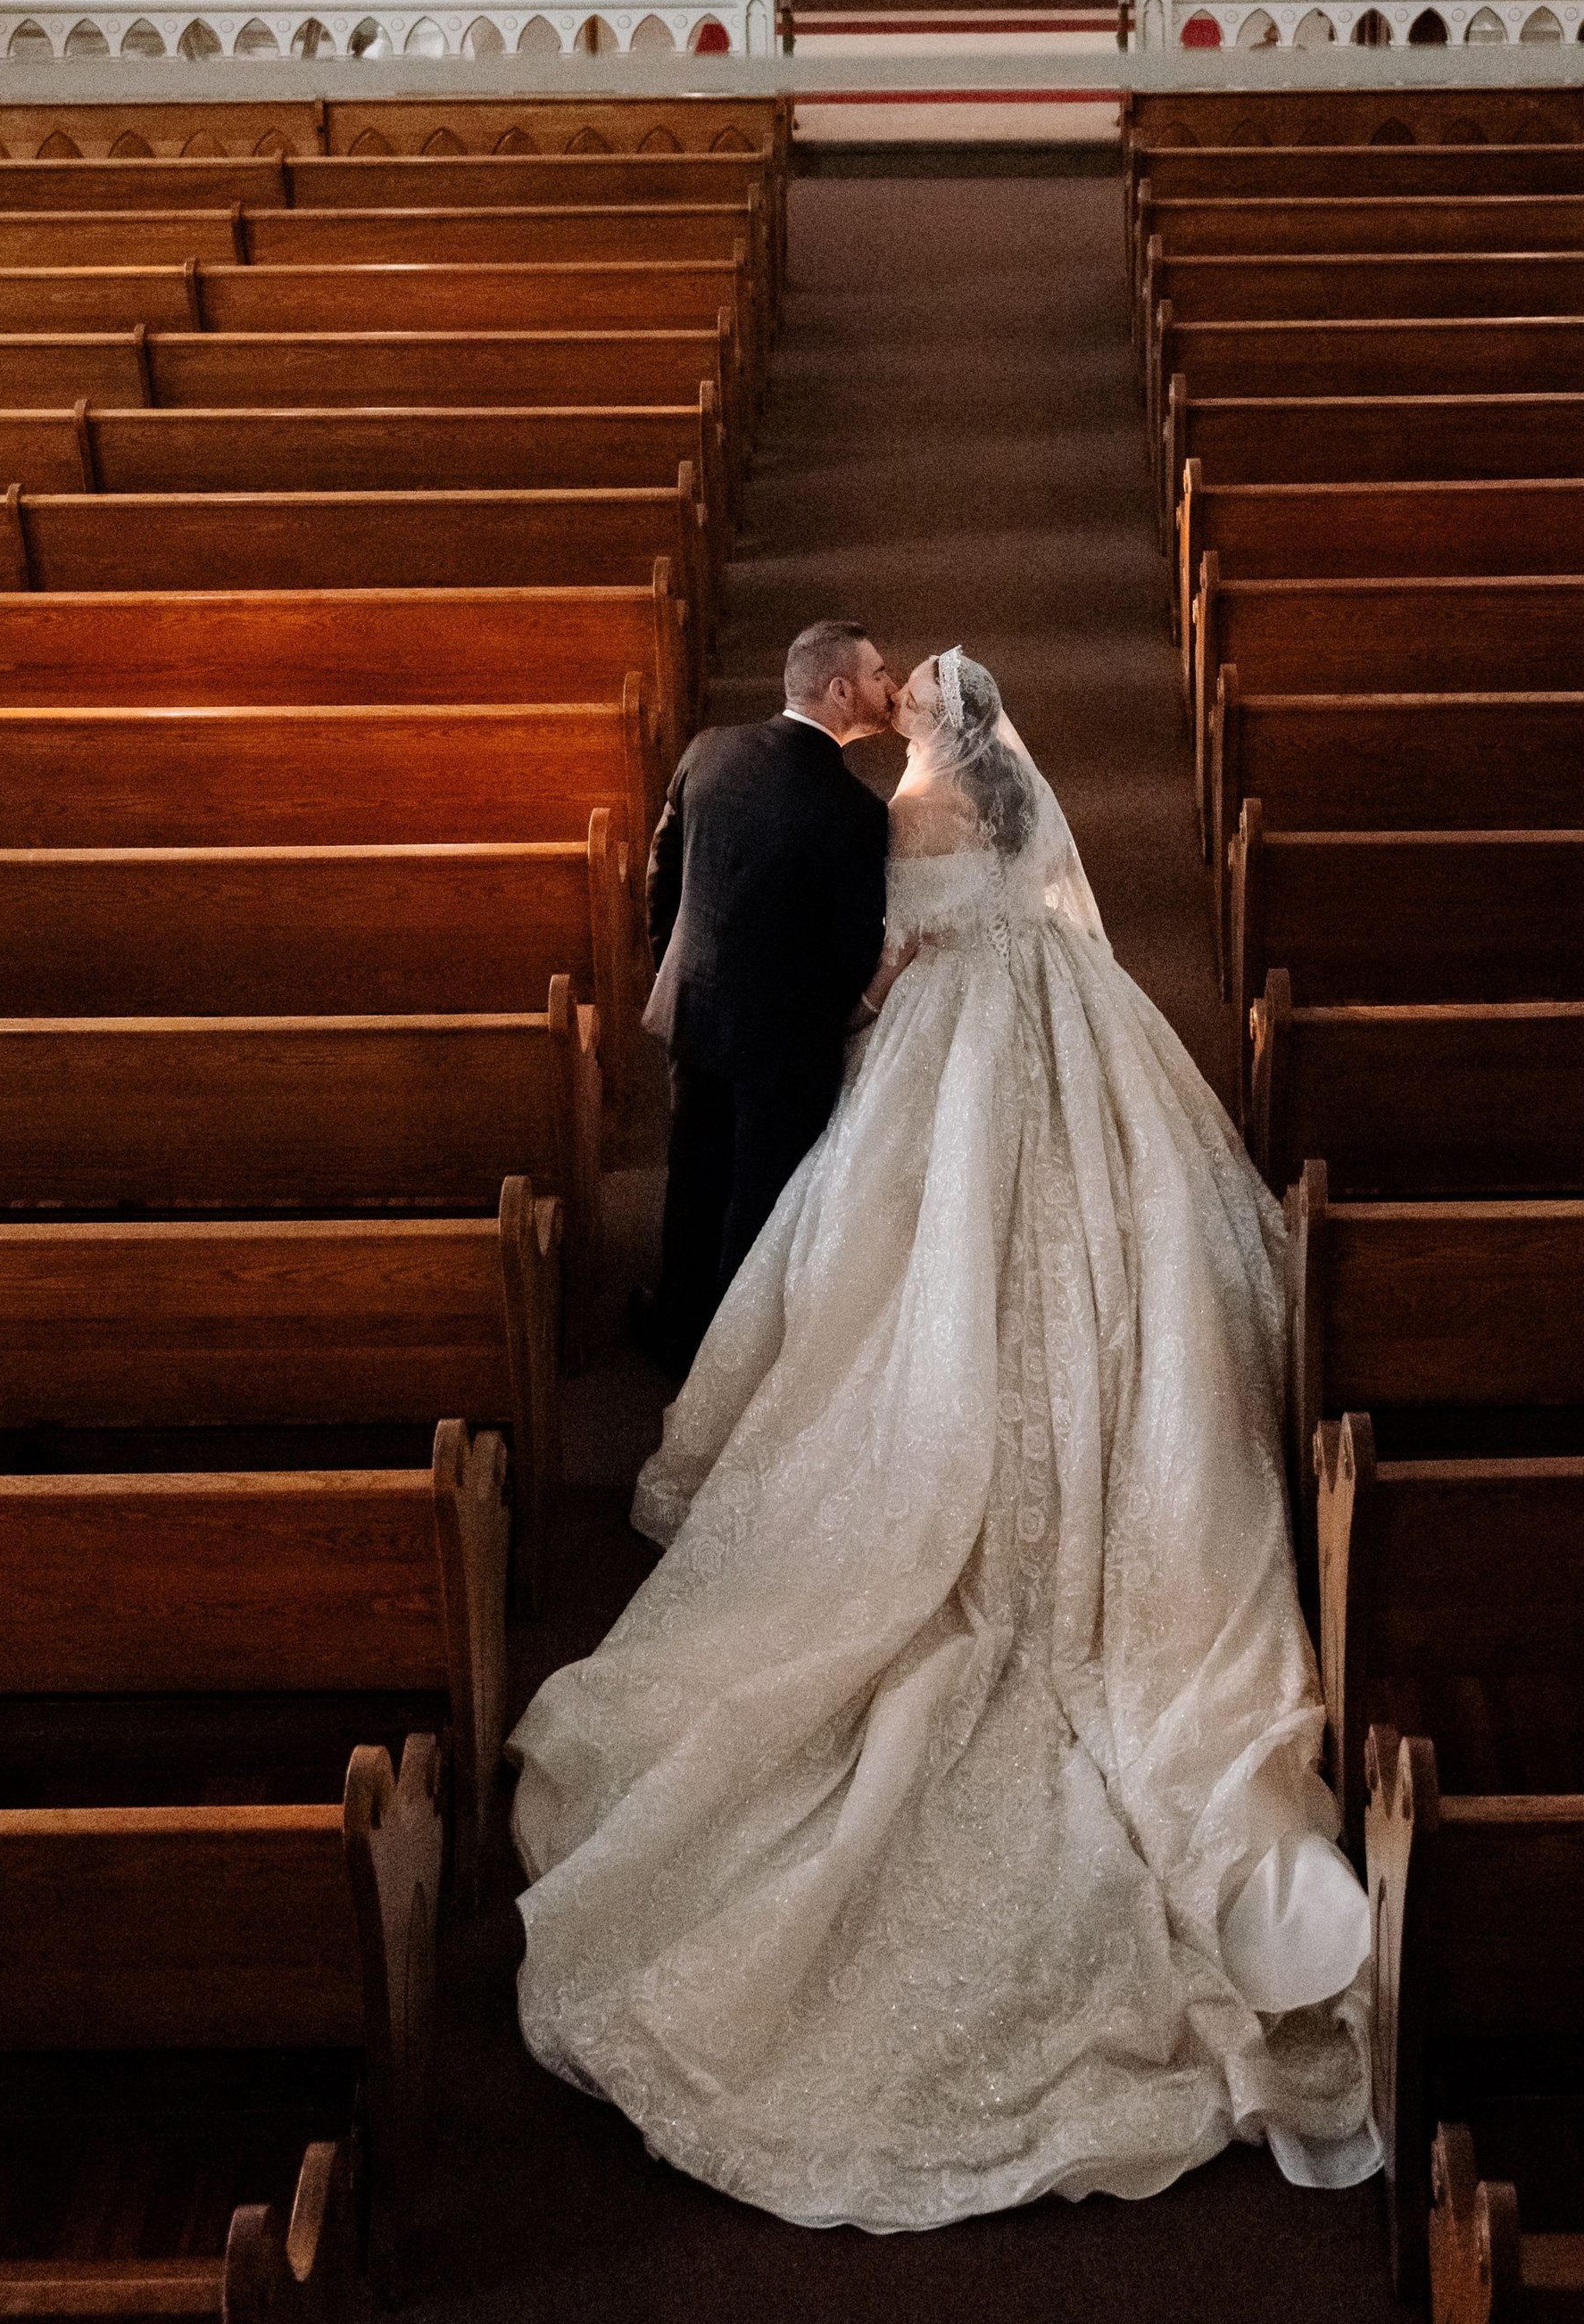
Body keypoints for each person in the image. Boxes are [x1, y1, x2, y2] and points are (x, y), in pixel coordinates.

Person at [510, 647, 1377, 2231]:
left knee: (887, 1287)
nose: (896, 693)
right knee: (1121, 1287)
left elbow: (884, 952)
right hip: (1059, 1021)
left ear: (928, 724)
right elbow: (1043, 905)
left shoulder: (880, 815)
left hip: (940, 1052)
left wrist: (880, 986)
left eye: (911, 691)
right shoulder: (985, 797)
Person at [633, 619, 900, 1381]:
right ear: (840, 688)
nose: (890, 683)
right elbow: (853, 947)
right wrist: (846, 1014)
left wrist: (680, 972)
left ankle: (675, 1324)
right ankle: (732, 1367)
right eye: (878, 672)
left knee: (691, 1173)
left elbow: (662, 877)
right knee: (759, 1195)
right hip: (783, 1038)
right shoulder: (855, 813)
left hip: (695, 1006)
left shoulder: (707, 750)